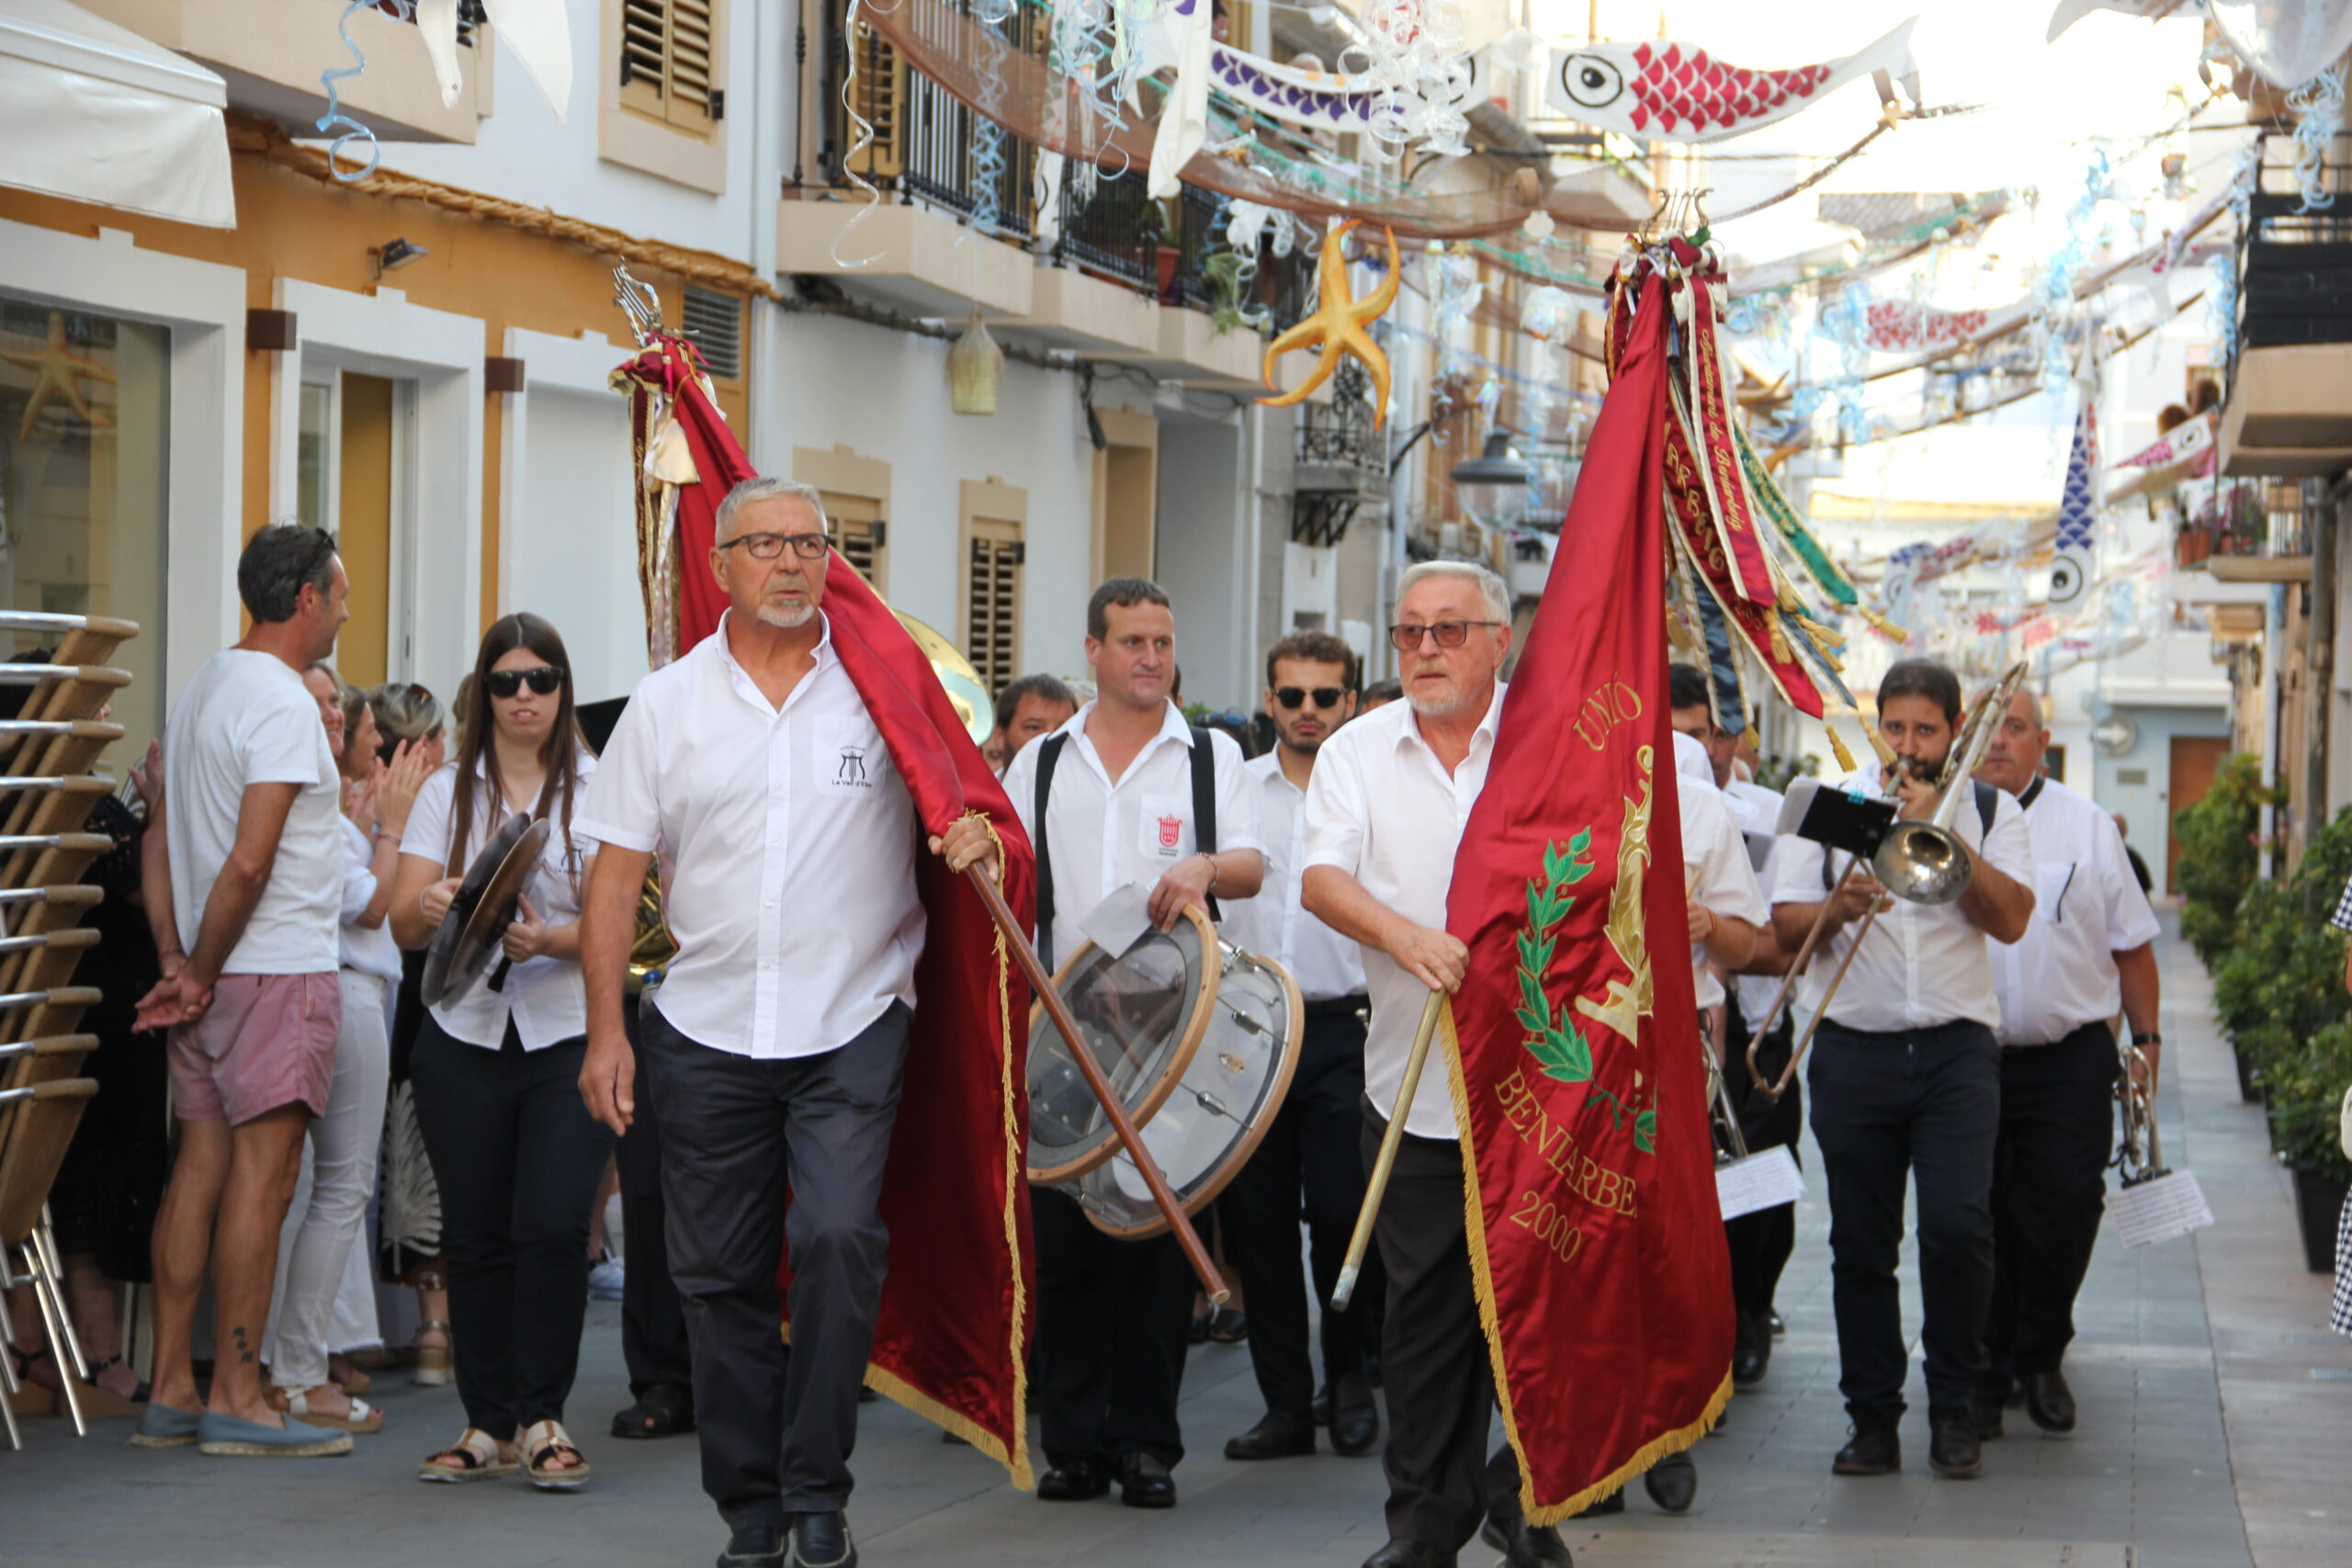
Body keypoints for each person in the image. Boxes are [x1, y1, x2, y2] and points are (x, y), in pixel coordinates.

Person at [573, 476, 1004, 1568]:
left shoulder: (886, 691)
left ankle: (820, 1492)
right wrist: (604, 1033)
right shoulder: (666, 702)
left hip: (854, 1018)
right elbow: (614, 879)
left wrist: (980, 843)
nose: (789, 561)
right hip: (706, 1026)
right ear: (720, 564)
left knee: (839, 1239)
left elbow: (973, 815)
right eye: (764, 543)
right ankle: (751, 1511)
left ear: (830, 562)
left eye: (810, 543)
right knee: (714, 1281)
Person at [1301, 560, 1568, 1568]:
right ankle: (1423, 1530)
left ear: (1500, 640)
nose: (1424, 649)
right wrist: (1407, 936)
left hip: (1545, 1094)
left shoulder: (1553, 747)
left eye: (1449, 630)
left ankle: (1530, 1500)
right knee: (1423, 1324)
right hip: (1410, 1087)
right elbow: (1323, 877)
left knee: (1544, 1313)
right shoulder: (1358, 751)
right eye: (1409, 630)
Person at [1001, 576, 1264, 1512]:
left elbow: (1252, 864)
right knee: (1068, 1243)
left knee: (1153, 1238)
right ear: (1094, 652)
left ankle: (1146, 1445)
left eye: (1161, 641)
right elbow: (1004, 869)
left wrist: (1202, 866)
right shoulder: (1038, 763)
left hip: (1171, 1031)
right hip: (1063, 1033)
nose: (1150, 657)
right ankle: (1071, 1445)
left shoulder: (1210, 755)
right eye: (1133, 642)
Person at [1770, 659, 2035, 1482]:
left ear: (1954, 732)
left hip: (1957, 1048)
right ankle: (1872, 1417)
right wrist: (1838, 906)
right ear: (1875, 724)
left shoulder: (1989, 808)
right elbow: (1783, 927)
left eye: (1926, 729)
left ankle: (1954, 1405)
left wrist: (1945, 834)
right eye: (1896, 728)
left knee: (1959, 1229)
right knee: (1860, 1242)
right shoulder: (1833, 803)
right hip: (1855, 1047)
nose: (1909, 746)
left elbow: (2014, 920)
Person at [131, 521, 354, 1458]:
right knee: (263, 1184)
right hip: (271, 967)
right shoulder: (281, 702)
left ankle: (174, 1391)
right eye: (340, 594)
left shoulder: (203, 686)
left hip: (210, 968)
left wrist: (178, 962)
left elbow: (164, 843)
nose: (345, 608)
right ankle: (238, 1397)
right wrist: (204, 970)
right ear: (306, 599)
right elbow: (251, 859)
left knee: (202, 1170)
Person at [389, 614, 606, 1490]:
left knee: (552, 1225)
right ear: (485, 692)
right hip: (461, 1031)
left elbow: (626, 919)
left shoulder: (601, 786)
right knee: (474, 1235)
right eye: (508, 680)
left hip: (564, 1032)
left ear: (563, 689)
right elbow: (401, 917)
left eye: (543, 678)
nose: (525, 696)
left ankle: (544, 1415)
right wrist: (439, 904)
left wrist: (551, 940)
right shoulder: (448, 789)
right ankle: (486, 1423)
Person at [1972, 685, 2160, 1438]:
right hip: (1970, 1056)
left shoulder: (2086, 826)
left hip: (2072, 1055)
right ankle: (1986, 1367)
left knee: (2063, 1206)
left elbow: (2132, 946)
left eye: (2014, 727)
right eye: (1986, 728)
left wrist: (2145, 1045)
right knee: (1977, 1213)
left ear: (2040, 742)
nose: (1999, 741)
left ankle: (2043, 1355)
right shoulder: (1939, 822)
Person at [1219, 631, 1379, 1464]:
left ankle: (1348, 1380)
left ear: (1350, 701)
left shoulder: (1372, 789)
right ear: (1270, 700)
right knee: (1261, 1224)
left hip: (1345, 1026)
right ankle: (1284, 1402)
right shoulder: (1235, 790)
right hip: (1246, 1028)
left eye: (1325, 696)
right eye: (1293, 697)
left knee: (1348, 1214)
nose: (1309, 711)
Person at [260, 666, 424, 1435]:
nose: (343, 718)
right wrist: (390, 825)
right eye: (330, 705)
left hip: (340, 988)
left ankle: (293, 1366)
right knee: (341, 1187)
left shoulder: (313, 801)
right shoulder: (311, 804)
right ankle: (298, 1370)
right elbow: (371, 907)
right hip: (347, 988)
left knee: (318, 1190)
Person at [1670, 666, 1801, 1387]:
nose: (1702, 749)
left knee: (1762, 1179)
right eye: (1686, 733)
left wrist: (1716, 925)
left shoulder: (1767, 812)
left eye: (1713, 733)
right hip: (1677, 1026)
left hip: (1754, 1022)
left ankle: (1752, 1308)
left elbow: (1778, 934)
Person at [365, 682, 455, 1386]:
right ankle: (437, 1331)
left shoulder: (359, 797)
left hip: (396, 987)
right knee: (440, 1152)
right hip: (437, 983)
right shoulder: (442, 801)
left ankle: (425, 1327)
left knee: (406, 1156)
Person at [983, 672, 1077, 774]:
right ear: (1000, 736)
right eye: (1034, 728)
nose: (1051, 741)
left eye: (1062, 730)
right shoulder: (973, 790)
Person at [2114, 813, 2155, 898]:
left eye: (2119, 828)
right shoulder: (2095, 858)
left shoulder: (2133, 858)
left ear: (2125, 831)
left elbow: (2144, 892)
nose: (2116, 831)